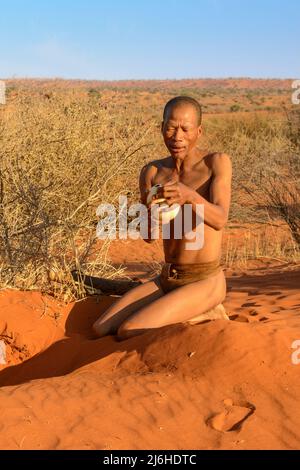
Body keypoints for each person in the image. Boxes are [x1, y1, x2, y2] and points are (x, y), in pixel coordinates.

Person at [93, 96, 232, 340]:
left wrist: (189, 195)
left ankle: (207, 313)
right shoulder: (152, 172)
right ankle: (185, 309)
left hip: (205, 279)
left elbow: (220, 219)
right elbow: (148, 237)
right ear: (161, 128)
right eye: (171, 127)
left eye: (185, 129)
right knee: (100, 328)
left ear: (198, 131)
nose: (177, 136)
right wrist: (151, 218)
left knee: (128, 330)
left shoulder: (215, 163)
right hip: (168, 277)